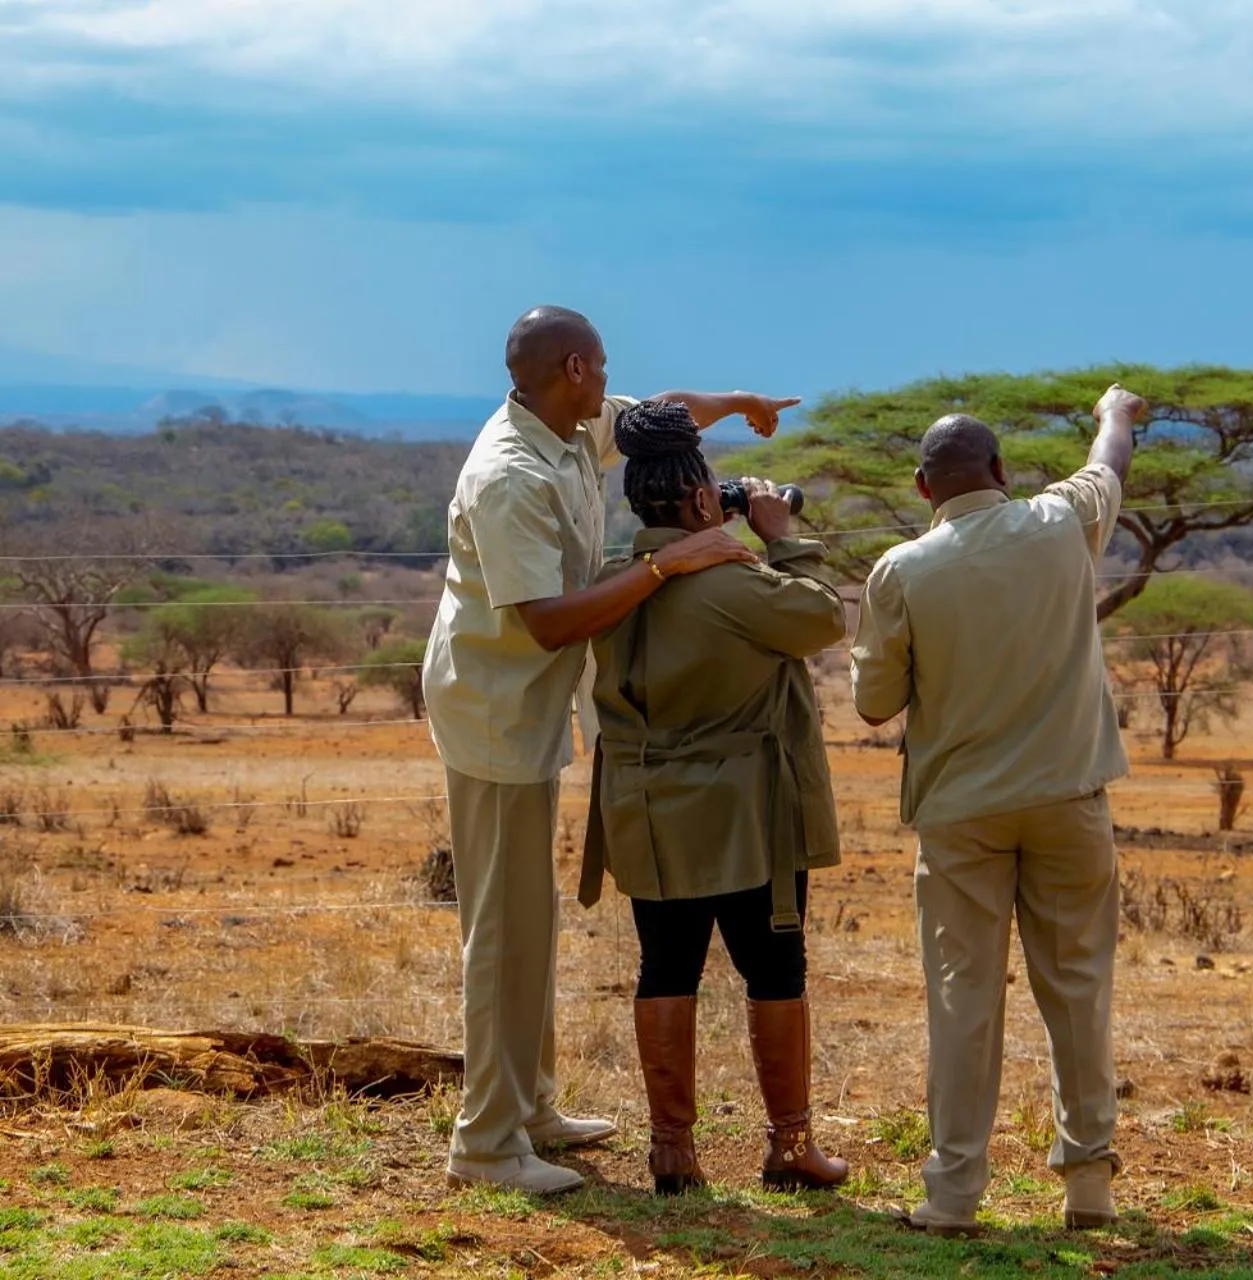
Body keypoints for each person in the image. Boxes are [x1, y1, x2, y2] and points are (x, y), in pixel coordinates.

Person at [424, 305, 800, 1196]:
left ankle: (532, 1106)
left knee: (531, 922)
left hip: (526, 710)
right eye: (603, 363)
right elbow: (549, 624)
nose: (612, 377)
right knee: (500, 932)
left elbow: (661, 410)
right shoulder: (511, 474)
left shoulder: (565, 422)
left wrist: (737, 400)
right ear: (575, 368)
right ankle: (485, 1144)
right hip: (494, 712)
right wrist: (672, 565)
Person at [850, 384, 1147, 1236]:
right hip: (1069, 800)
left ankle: (952, 1195)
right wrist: (1113, 414)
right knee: (1080, 990)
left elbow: (875, 706)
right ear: (1002, 471)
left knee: (962, 998)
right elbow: (1108, 467)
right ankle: (1088, 1184)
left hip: (960, 816)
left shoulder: (901, 571)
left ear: (920, 490)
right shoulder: (1061, 525)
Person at [578, 399, 849, 1196]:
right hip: (746, 815)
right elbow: (821, 618)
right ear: (704, 502)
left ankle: (671, 1150)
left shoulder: (611, 583)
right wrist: (779, 536)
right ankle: (790, 1146)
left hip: (647, 810)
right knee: (775, 968)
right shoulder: (735, 585)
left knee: (665, 966)